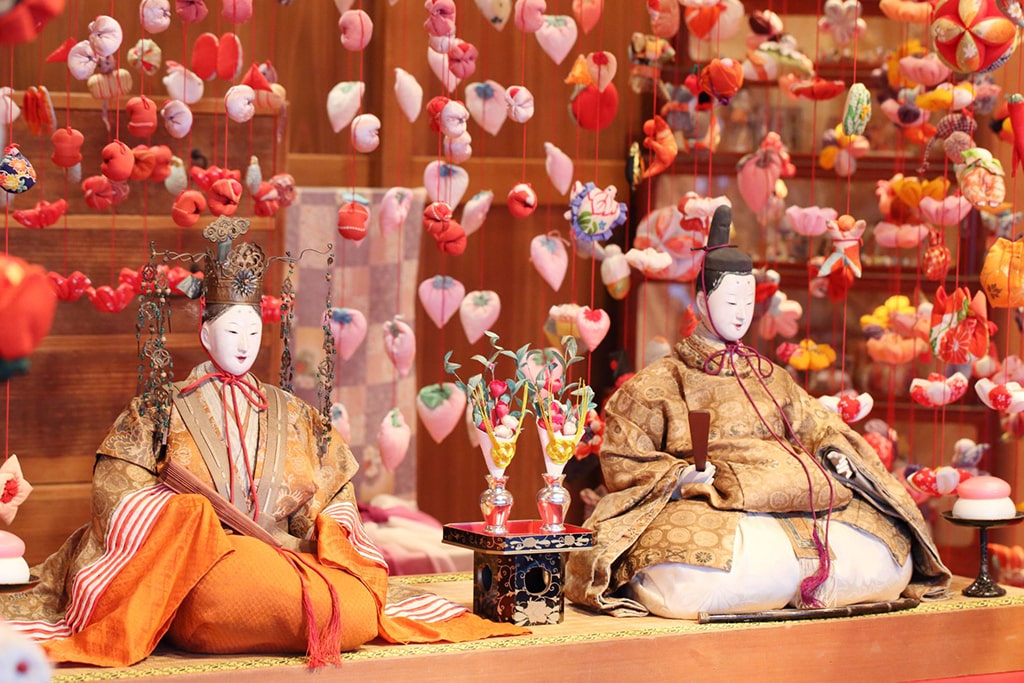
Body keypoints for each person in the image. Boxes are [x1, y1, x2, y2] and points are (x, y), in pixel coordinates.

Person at [0, 223, 521, 667]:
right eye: (231, 328)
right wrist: (193, 524)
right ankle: (266, 599)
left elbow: (334, 499)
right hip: (199, 570)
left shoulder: (294, 415)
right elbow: (118, 498)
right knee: (222, 602)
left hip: (285, 562)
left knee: (358, 610)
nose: (245, 341)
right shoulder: (157, 412)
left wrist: (323, 538)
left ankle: (294, 601)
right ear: (205, 335)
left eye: (253, 328)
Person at [565, 205, 951, 619]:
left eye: (748, 301)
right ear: (700, 300)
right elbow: (624, 459)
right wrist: (679, 477)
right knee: (691, 575)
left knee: (887, 554)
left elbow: (818, 426)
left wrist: (836, 453)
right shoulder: (656, 385)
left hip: (806, 497)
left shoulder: (775, 378)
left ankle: (793, 577)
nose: (741, 312)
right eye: (731, 300)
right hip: (711, 503)